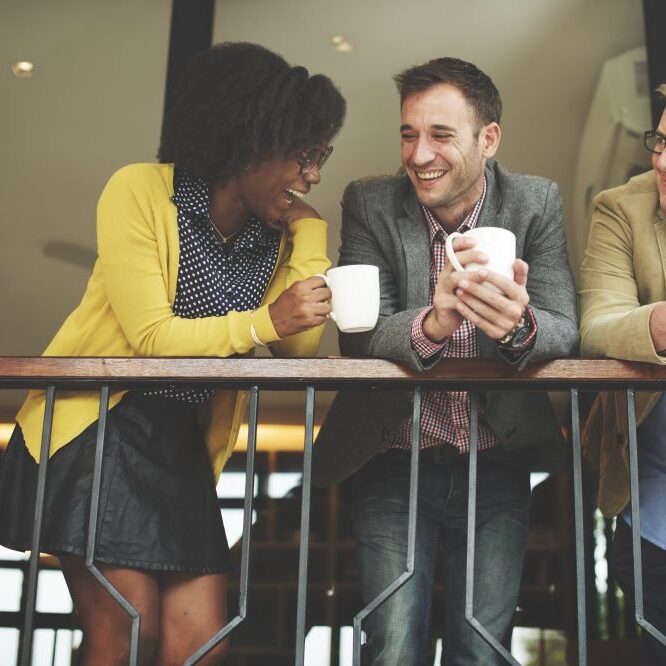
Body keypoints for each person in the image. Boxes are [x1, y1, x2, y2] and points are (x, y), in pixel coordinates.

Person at [0, 42, 345, 665]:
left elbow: (298, 343)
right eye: (303, 155)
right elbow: (151, 339)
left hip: (179, 445)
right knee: (128, 636)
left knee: (203, 646)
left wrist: (311, 236)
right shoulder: (139, 191)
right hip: (101, 428)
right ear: (249, 139)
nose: (312, 174)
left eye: (321, 157)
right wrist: (265, 320)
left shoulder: (274, 232)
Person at [312, 57, 578, 665]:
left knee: (482, 652)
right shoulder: (371, 202)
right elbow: (360, 335)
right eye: (409, 134)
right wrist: (433, 323)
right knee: (393, 646)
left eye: (440, 135)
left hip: (498, 461)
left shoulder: (536, 202)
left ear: (489, 139)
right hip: (391, 458)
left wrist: (519, 325)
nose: (419, 154)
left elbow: (566, 328)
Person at [580, 84, 666, 666]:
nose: (662, 161)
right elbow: (599, 324)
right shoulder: (621, 206)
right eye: (660, 141)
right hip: (656, 493)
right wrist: (660, 324)